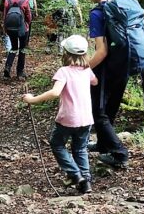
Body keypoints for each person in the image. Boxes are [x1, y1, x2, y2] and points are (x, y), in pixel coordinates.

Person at [81, 0, 144, 170]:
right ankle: (102, 144)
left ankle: (119, 153)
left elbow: (101, 52)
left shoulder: (98, 13)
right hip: (125, 63)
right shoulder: (124, 5)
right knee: (111, 105)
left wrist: (82, 70)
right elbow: (143, 28)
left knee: (97, 111)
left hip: (109, 66)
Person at [23, 34, 98, 194]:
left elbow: (56, 92)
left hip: (68, 118)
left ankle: (75, 175)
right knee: (80, 148)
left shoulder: (64, 71)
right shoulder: (87, 71)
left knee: (57, 144)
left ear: (66, 53)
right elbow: (95, 81)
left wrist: (32, 99)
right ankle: (85, 182)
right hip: (86, 118)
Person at [2, 0, 31, 79]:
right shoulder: (24, 0)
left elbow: (5, 15)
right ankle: (20, 72)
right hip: (22, 28)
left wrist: (5, 27)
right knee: (22, 49)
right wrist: (27, 23)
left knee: (14, 48)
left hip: (10, 28)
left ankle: (8, 67)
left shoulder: (7, 0)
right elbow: (28, 16)